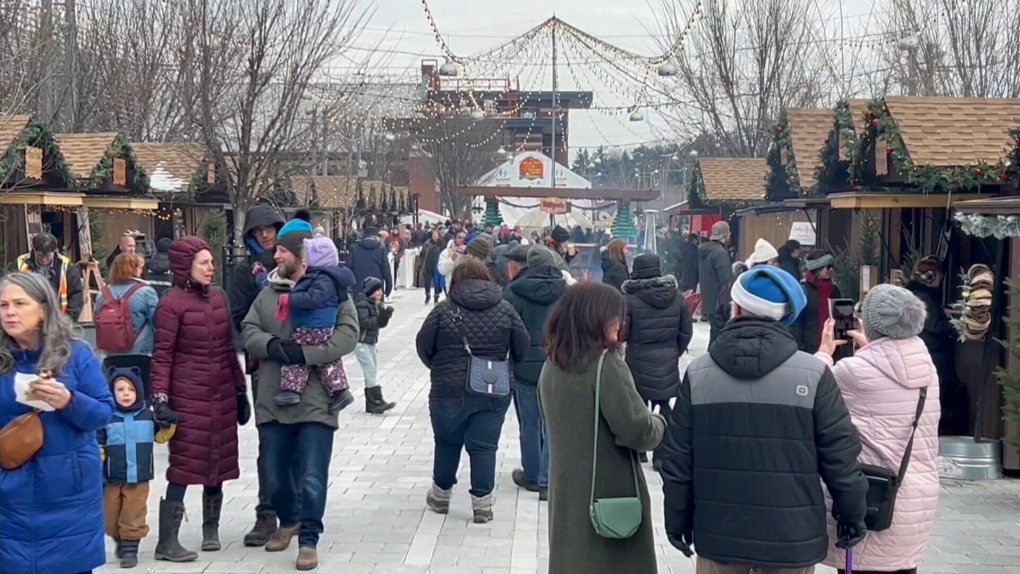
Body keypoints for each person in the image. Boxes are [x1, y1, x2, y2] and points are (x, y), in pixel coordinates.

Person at [660, 265, 869, 574]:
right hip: (791, 536)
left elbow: (678, 459)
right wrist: (852, 515)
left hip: (718, 534)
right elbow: (840, 457)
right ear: (786, 315)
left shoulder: (699, 374)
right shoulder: (813, 375)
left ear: (738, 306)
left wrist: (677, 519)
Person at [241, 223, 361, 570]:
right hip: (273, 397)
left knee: (312, 475)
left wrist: (308, 354)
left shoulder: (333, 290)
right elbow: (248, 330)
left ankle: (308, 538)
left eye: (282, 251)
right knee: (275, 474)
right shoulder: (267, 292)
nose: (274, 255)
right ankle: (288, 519)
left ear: (301, 257)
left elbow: (349, 334)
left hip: (316, 400)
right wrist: (274, 346)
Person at [539, 282, 666, 573]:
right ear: (596, 317)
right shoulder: (606, 364)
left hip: (566, 494)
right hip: (608, 495)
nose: (620, 325)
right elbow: (637, 430)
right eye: (616, 317)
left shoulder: (552, 363)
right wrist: (659, 424)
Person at [815, 284, 940, 574]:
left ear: (870, 323)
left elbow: (812, 390)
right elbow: (891, 375)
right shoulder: (927, 369)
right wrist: (872, 350)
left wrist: (824, 351)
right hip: (914, 500)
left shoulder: (853, 372)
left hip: (872, 501)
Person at [0, 272, 115, 574]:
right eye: (3, 305)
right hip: (9, 494)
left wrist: (68, 401)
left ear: (44, 309)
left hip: (68, 493)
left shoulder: (75, 354)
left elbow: (104, 413)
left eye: (19, 303)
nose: (9, 312)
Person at [150, 236, 249, 562]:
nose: (211, 267)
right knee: (184, 464)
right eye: (204, 263)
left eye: (210, 261)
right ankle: (168, 541)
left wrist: (239, 390)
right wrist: (160, 400)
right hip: (187, 395)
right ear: (186, 267)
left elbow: (227, 349)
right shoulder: (171, 304)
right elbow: (162, 355)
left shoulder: (219, 298)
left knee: (217, 461)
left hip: (219, 391)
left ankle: (211, 529)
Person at [415, 258, 528, 523]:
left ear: (455, 281)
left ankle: (441, 497)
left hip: (448, 388)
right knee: (484, 446)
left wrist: (440, 367)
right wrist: (504, 364)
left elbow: (423, 345)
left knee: (446, 441)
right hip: (494, 386)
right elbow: (522, 346)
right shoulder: (505, 309)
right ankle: (482, 505)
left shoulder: (443, 311)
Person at [227, 204, 287, 548]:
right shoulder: (244, 273)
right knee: (270, 441)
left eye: (269, 228)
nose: (264, 235)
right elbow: (238, 317)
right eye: (257, 230)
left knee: (299, 437)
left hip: (298, 362)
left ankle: (293, 512)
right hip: (263, 363)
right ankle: (267, 513)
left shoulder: (295, 261)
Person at [503, 245, 568, 500]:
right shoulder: (565, 291)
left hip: (524, 365)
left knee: (529, 422)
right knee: (553, 422)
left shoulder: (514, 291)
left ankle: (531, 473)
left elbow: (506, 326)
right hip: (557, 361)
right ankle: (547, 480)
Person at [97, 366, 176, 568]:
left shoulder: (147, 416)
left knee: (133, 514)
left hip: (139, 477)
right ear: (112, 393)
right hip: (112, 477)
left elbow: (160, 437)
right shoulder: (107, 418)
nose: (125, 394)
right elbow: (100, 444)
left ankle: (130, 549)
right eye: (120, 389)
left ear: (139, 392)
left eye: (130, 390)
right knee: (110, 517)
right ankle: (119, 539)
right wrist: (97, 464)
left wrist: (170, 423)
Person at [621, 253, 693, 471]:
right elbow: (686, 332)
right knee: (665, 407)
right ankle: (662, 454)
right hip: (667, 361)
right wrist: (674, 351)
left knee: (638, 406)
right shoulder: (678, 297)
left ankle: (640, 450)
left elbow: (623, 332)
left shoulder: (629, 300)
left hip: (638, 361)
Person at [274, 236, 356, 413]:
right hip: (320, 326)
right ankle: (339, 390)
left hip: (312, 326)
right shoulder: (326, 277)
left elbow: (313, 298)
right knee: (327, 362)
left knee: (298, 356)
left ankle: (291, 389)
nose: (304, 259)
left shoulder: (322, 278)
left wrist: (291, 299)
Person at [906, 257, 966, 436]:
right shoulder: (924, 297)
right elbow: (934, 325)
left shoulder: (917, 295)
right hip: (936, 353)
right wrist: (957, 324)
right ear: (931, 277)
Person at [16, 232, 85, 321]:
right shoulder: (20, 264)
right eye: (40, 256)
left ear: (55, 251)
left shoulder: (67, 267)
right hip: (27, 320)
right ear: (33, 250)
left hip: (59, 320)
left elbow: (76, 296)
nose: (44, 260)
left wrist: (68, 320)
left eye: (48, 256)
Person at [355, 277, 397, 414]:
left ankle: (371, 403)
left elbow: (379, 324)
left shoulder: (375, 303)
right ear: (370, 291)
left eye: (381, 289)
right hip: (361, 343)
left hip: (371, 342)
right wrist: (380, 318)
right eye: (377, 290)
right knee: (370, 370)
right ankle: (376, 401)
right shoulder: (362, 304)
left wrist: (386, 316)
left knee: (371, 371)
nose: (380, 292)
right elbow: (365, 323)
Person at [792, 250, 842, 354]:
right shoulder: (804, 290)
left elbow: (840, 320)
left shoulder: (834, 290)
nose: (831, 270)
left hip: (832, 348)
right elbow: (797, 323)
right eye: (828, 266)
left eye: (832, 266)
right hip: (809, 349)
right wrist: (800, 348)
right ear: (817, 269)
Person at [698, 221, 733, 342]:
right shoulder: (720, 253)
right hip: (719, 303)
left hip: (709, 302)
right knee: (719, 339)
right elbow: (726, 280)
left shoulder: (706, 251)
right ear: (726, 234)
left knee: (714, 335)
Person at [349, 224, 393, 298]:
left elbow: (349, 267)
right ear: (376, 237)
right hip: (376, 287)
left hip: (358, 286)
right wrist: (389, 287)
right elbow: (386, 270)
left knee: (359, 307)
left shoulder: (354, 248)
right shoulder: (381, 249)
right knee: (376, 308)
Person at [421, 229, 444, 304]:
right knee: (427, 282)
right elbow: (422, 254)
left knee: (436, 283)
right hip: (428, 266)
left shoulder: (441, 244)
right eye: (433, 234)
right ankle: (427, 295)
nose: (434, 236)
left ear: (438, 235)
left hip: (437, 266)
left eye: (436, 234)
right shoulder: (427, 244)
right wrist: (421, 264)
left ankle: (436, 297)